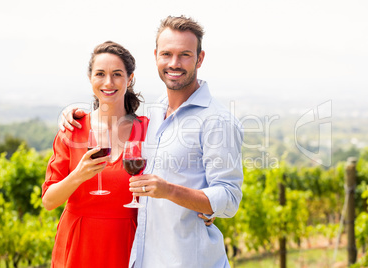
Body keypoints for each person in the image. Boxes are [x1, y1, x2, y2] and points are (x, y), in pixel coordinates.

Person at [62, 16, 243, 268]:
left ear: (200, 59)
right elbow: (112, 114)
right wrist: (73, 112)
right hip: (145, 259)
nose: (174, 63)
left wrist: (172, 191)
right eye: (167, 54)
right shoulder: (155, 112)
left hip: (190, 261)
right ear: (156, 55)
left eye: (185, 55)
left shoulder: (217, 119)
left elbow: (229, 198)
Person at [42, 41, 149, 268]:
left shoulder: (147, 129)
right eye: (100, 74)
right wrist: (78, 175)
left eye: (117, 74)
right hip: (77, 246)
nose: (108, 82)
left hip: (127, 244)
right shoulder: (73, 129)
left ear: (129, 79)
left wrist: (205, 212)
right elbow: (49, 201)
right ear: (91, 79)